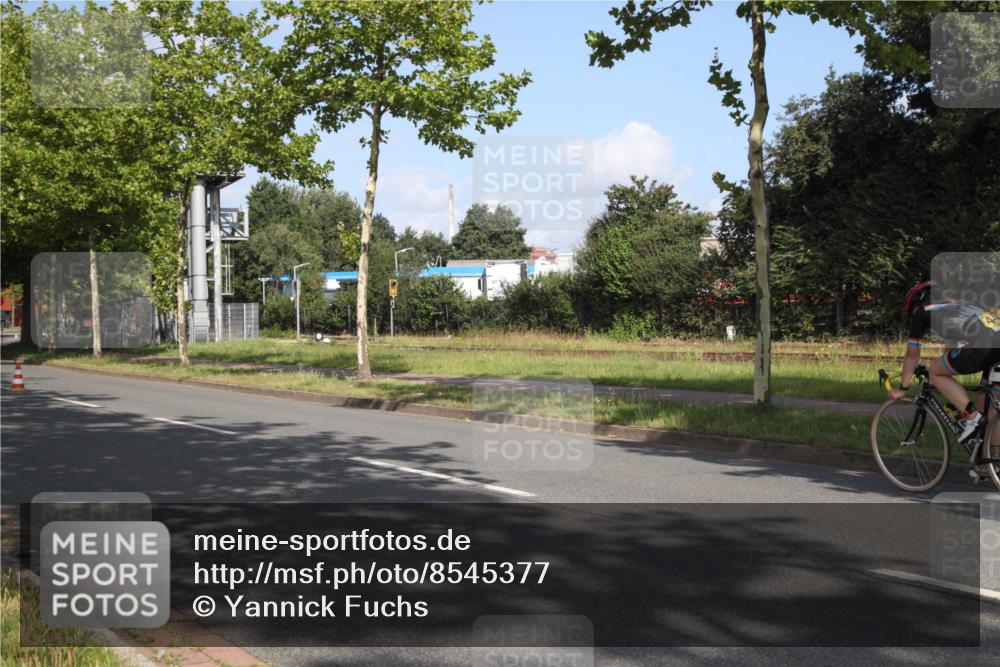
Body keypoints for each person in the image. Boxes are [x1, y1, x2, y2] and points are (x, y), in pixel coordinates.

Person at [889, 281, 1000, 442]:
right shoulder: (955, 309)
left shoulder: (921, 312)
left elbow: (912, 355)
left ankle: (971, 417)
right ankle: (989, 465)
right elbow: (949, 352)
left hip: (982, 347)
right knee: (989, 412)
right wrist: (943, 383)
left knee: (934, 370)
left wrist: (903, 389)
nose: (912, 314)